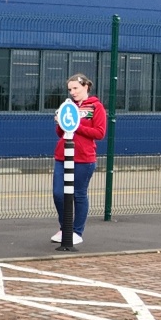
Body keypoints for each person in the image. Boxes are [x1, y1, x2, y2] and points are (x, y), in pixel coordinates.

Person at [51, 73, 108, 245]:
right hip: (63, 156)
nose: (72, 92)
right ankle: (65, 227)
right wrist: (60, 122)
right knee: (58, 194)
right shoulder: (68, 106)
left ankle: (77, 231)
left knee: (79, 194)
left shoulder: (96, 107)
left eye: (75, 88)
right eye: (70, 89)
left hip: (84, 158)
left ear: (86, 86)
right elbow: (61, 133)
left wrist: (76, 125)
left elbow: (99, 133)